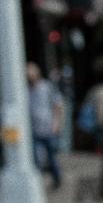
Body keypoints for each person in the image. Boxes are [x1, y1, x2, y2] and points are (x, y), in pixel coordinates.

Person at [26, 62, 64, 191]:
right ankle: (37, 184)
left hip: (48, 128)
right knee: (37, 159)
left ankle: (57, 179)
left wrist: (56, 124)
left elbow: (58, 105)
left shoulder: (47, 87)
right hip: (34, 130)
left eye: (31, 74)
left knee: (52, 158)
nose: (29, 78)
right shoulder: (26, 90)